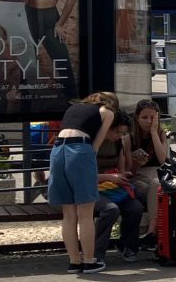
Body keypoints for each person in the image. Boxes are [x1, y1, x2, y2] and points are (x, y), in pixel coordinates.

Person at [50, 92, 121, 274]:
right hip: (80, 149)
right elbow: (96, 145)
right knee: (85, 214)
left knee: (69, 214)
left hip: (58, 151)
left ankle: (74, 262)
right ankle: (89, 261)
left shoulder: (73, 108)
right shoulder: (106, 111)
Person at [90, 112, 143, 263]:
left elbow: (121, 169)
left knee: (136, 207)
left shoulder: (118, 143)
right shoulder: (92, 143)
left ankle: (128, 245)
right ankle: (96, 253)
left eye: (123, 133)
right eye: (117, 132)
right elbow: (84, 178)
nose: (120, 136)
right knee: (111, 209)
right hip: (92, 187)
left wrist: (126, 172)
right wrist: (109, 177)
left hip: (112, 187)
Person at [127, 100, 166, 251]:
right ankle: (152, 233)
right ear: (137, 117)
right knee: (155, 186)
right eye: (145, 118)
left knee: (156, 184)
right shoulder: (129, 137)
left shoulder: (160, 133)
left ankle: (151, 232)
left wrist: (154, 133)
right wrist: (137, 163)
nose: (149, 121)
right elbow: (128, 170)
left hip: (157, 175)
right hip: (138, 177)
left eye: (153, 117)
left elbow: (163, 159)